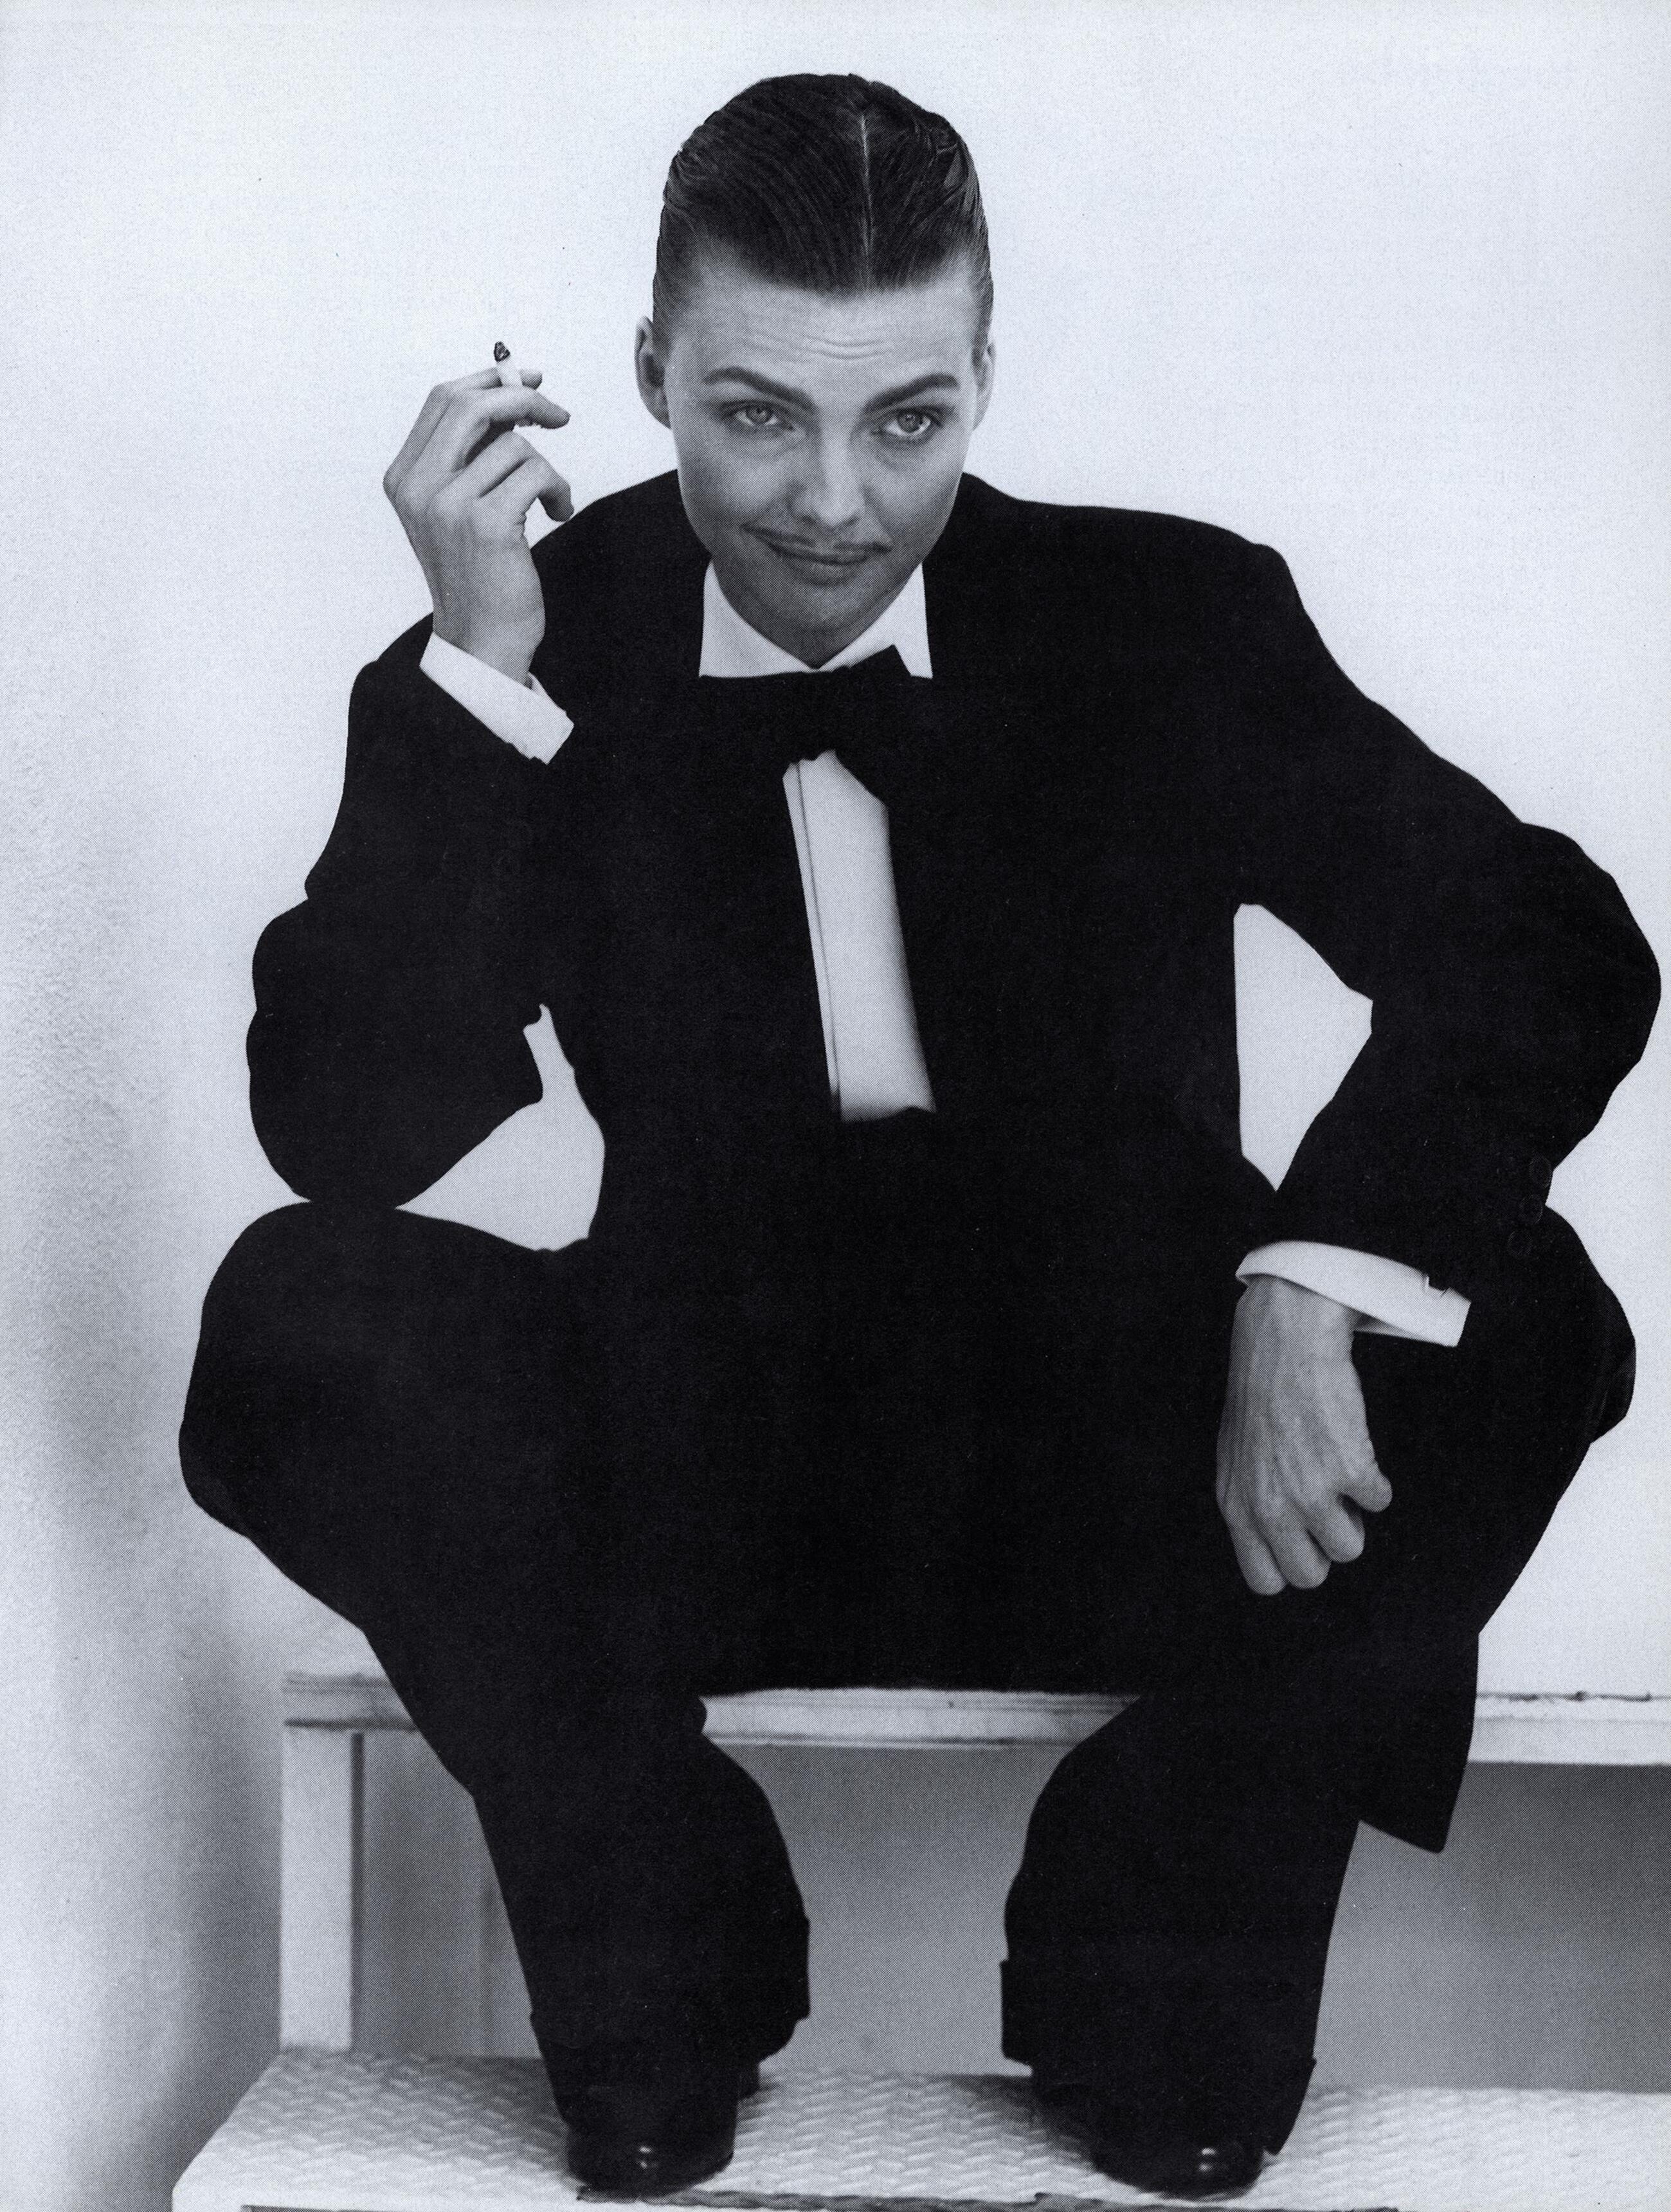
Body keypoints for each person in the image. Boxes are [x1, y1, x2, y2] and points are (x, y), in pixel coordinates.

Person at [180, 73, 1657, 2201]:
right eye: (756, 415)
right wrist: (483, 671)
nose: (833, 502)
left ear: (985, 377)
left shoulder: (1166, 620)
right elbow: (347, 1127)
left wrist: (1307, 1279)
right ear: (647, 374)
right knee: (297, 1313)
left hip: (1145, 1473)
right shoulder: (529, 647)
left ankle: (1158, 1955)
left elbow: (1541, 938)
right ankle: (663, 1958)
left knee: (1529, 1310)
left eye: (908, 420)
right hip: (703, 1463)